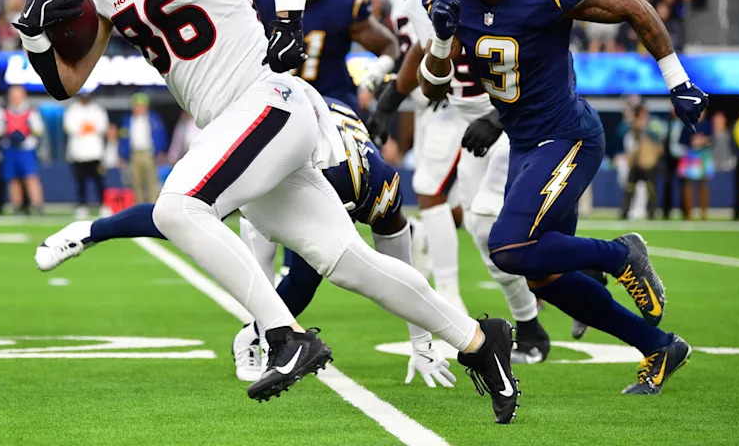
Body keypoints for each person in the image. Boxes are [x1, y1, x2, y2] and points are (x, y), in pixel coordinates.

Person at [13, 0, 519, 421]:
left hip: (267, 99)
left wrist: (289, 19)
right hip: (234, 125)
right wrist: (35, 39)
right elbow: (67, 81)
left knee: (178, 206)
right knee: (345, 261)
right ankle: (481, 344)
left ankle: (284, 337)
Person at [421, 0, 707, 395]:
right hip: (526, 144)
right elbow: (432, 87)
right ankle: (659, 347)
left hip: (568, 134)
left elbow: (634, 8)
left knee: (507, 247)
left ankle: (619, 255)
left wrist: (677, 79)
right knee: (543, 277)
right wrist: (441, 39)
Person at [39, 97, 458, 389]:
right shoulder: (287, 161)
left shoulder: (378, 184)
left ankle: (253, 335)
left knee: (306, 281)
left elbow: (396, 258)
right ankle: (90, 232)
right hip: (274, 168)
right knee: (197, 220)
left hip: (313, 159)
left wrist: (420, 342)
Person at [369, 0, 549, 363]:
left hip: (511, 116)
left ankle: (561, 290)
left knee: (489, 224)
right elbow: (424, 51)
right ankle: (528, 318)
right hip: (463, 115)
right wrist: (391, 98)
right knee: (477, 224)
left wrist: (500, 117)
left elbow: (540, 68)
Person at [251, 0, 399, 110]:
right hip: (273, 98)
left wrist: (372, 78)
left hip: (330, 102)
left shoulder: (344, 0)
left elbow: (389, 46)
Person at [64, 92, 109, 218]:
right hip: (78, 153)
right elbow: (70, 127)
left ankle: (103, 205)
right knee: (80, 181)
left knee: (99, 181)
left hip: (95, 152)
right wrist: (86, 127)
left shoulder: (97, 110)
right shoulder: (72, 110)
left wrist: (86, 127)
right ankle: (82, 205)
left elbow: (102, 126)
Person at [1, 86, 44, 215]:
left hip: (26, 149)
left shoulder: (31, 112)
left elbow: (39, 130)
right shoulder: (4, 112)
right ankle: (17, 205)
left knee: (30, 177)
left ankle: (37, 205)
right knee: (13, 179)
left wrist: (26, 130)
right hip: (10, 148)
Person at [118, 93, 166, 204]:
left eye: (141, 105)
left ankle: (152, 206)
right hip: (134, 154)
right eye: (136, 105)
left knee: (151, 182)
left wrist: (160, 151)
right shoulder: (128, 120)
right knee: (136, 183)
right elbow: (124, 138)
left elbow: (160, 134)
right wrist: (123, 155)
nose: (138, 108)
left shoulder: (153, 119)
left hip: (149, 154)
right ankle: (139, 206)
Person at [620, 105, 665, 220]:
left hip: (649, 163)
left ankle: (652, 212)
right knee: (630, 188)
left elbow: (658, 142)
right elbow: (630, 144)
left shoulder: (652, 126)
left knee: (651, 189)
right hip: (636, 163)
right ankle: (624, 212)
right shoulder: (633, 128)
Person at [678, 111, 713, 220]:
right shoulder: (687, 124)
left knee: (703, 186)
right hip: (691, 157)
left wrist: (704, 140)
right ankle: (689, 214)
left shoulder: (708, 124)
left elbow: (713, 139)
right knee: (688, 186)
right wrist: (692, 141)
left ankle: (704, 214)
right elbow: (682, 140)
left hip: (704, 157)